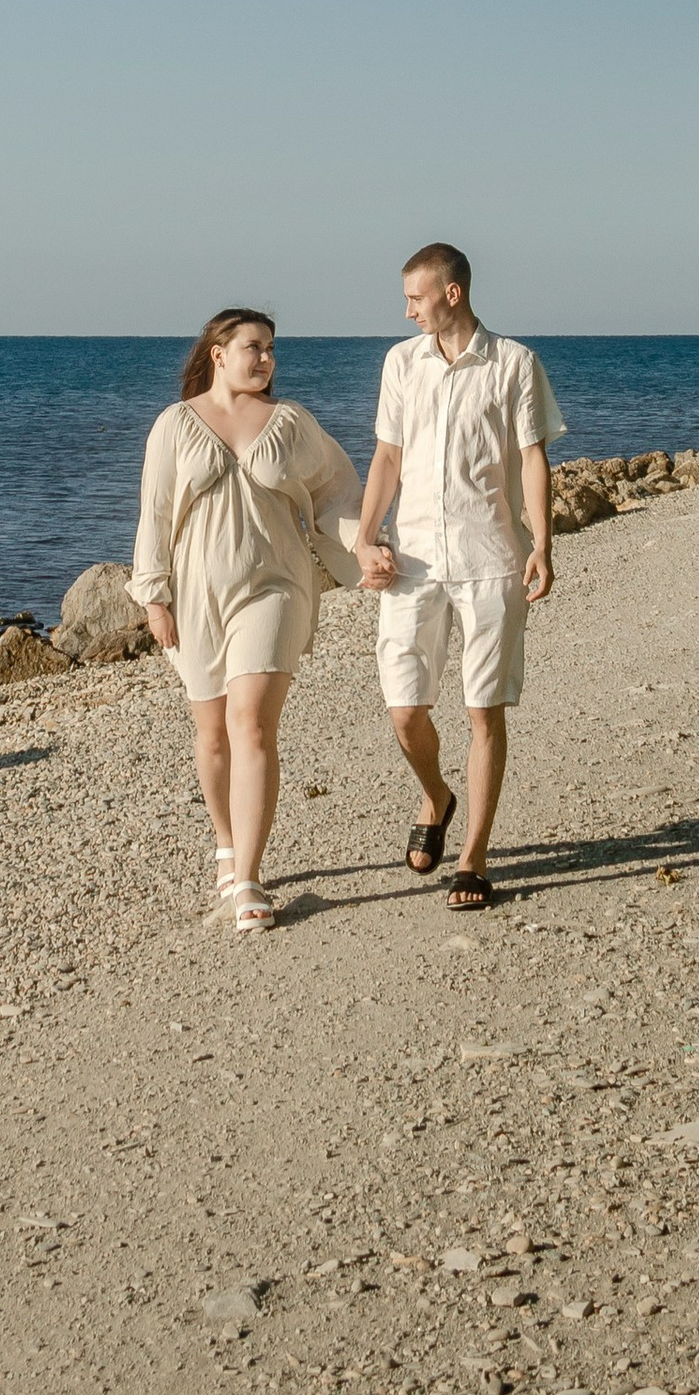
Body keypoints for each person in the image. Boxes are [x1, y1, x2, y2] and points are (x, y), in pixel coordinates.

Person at [132, 309, 363, 933]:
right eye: (253, 348)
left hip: (275, 586)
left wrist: (363, 549)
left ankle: (252, 878)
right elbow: (153, 514)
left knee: (251, 723)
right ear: (218, 352)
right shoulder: (175, 426)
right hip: (195, 596)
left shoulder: (290, 423)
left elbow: (335, 491)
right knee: (212, 734)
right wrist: (154, 596)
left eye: (271, 350)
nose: (266, 359)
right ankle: (227, 847)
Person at [355, 242, 563, 911]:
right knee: (405, 709)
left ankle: (473, 856)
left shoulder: (514, 363)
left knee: (483, 710)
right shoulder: (401, 363)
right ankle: (436, 795)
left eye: (416, 297)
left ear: (452, 294)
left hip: (489, 557)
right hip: (411, 559)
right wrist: (365, 535)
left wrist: (543, 544)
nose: (407, 310)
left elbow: (533, 459)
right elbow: (387, 456)